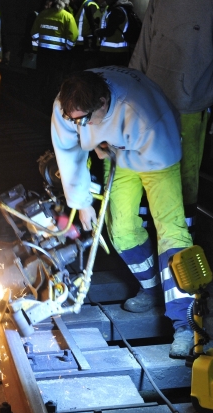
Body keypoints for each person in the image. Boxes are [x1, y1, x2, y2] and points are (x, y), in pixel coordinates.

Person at [51, 68, 194, 358]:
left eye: (86, 119)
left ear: (104, 101)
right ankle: (153, 290)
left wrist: (110, 150)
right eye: (74, 120)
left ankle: (185, 322)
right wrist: (81, 202)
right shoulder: (66, 107)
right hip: (118, 148)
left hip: (156, 150)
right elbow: (67, 151)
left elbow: (144, 151)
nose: (81, 125)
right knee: (122, 231)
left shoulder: (144, 115)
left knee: (171, 232)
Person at [129, 0, 213, 233]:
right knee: (144, 174)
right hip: (150, 104)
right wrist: (130, 90)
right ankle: (145, 238)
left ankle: (181, 246)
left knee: (183, 183)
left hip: (189, 109)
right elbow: (143, 49)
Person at [31, 0, 78, 112]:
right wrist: (67, 47)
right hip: (58, 54)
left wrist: (39, 43)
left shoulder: (43, 14)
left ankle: (39, 98)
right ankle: (51, 102)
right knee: (54, 78)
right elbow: (73, 36)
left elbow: (34, 33)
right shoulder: (67, 16)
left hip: (43, 52)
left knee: (42, 75)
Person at [94, 0, 133, 67]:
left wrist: (98, 32)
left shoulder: (117, 11)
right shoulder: (115, 9)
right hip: (114, 51)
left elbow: (110, 31)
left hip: (114, 52)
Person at [73, 0, 102, 70]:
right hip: (83, 44)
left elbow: (95, 24)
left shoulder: (89, 5)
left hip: (86, 44)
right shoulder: (86, 5)